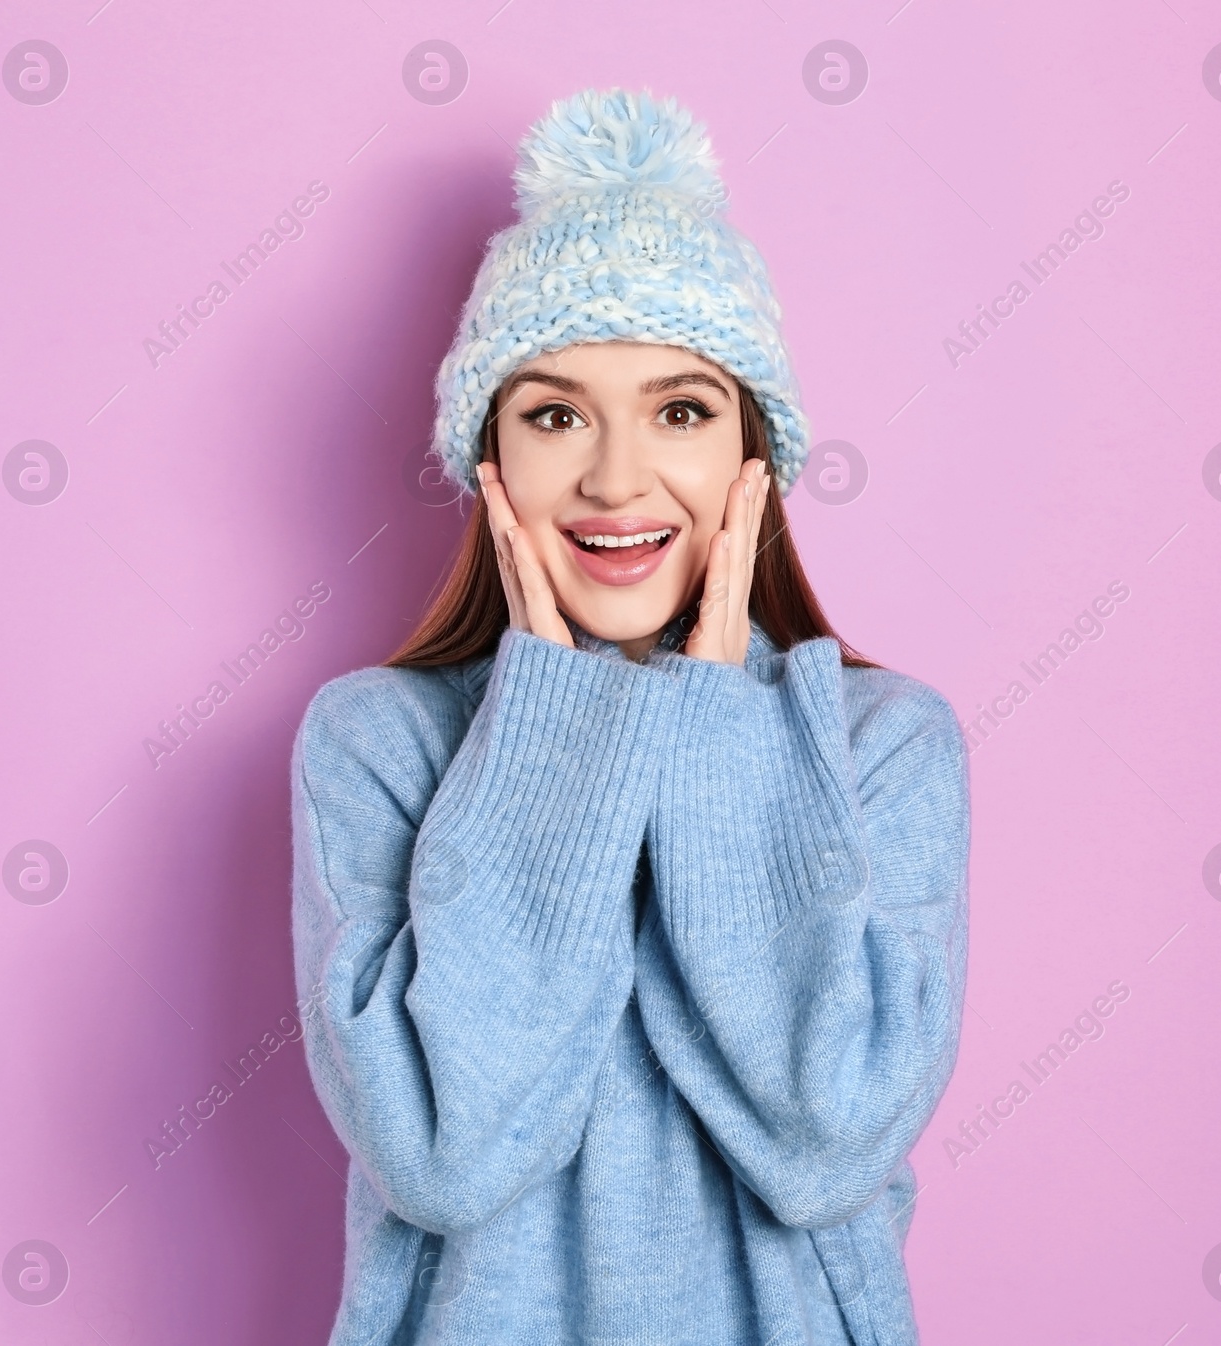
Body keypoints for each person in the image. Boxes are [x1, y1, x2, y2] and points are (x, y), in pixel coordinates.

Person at [290, 86, 970, 1346]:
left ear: (752, 455)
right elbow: (444, 1152)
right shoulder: (375, 741)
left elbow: (825, 1142)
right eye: (554, 414)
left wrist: (719, 740)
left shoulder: (885, 745)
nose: (612, 476)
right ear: (489, 455)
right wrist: (550, 729)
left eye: (680, 410)